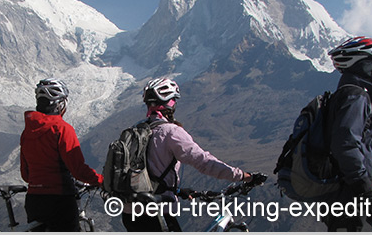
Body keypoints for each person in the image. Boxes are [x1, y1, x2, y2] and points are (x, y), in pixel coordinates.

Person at [120, 78, 256, 232]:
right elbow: (204, 162)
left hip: (130, 211)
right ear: (170, 103)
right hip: (156, 212)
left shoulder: (135, 129)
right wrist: (243, 176)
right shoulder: (170, 132)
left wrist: (177, 190)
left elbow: (144, 170)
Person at [324, 36, 372, 232]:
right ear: (365, 65)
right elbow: (345, 144)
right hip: (353, 205)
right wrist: (365, 190)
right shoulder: (356, 97)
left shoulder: (351, 95)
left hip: (350, 202)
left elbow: (365, 154)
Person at [19, 78, 103, 231]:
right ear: (59, 104)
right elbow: (78, 169)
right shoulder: (62, 129)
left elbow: (26, 174)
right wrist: (101, 180)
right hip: (60, 200)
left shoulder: (27, 132)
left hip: (34, 201)